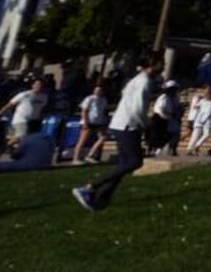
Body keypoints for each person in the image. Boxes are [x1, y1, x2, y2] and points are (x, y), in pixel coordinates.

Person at [73, 58, 157, 212]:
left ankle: (101, 198)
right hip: (129, 125)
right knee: (134, 162)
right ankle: (89, 187)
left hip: (120, 123)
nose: (163, 66)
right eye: (161, 62)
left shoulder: (135, 80)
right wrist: (146, 125)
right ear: (152, 64)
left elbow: (125, 95)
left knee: (124, 164)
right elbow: (138, 109)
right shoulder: (145, 82)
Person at [0, 78, 48, 144]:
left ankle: (8, 146)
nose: (38, 86)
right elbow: (8, 105)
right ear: (32, 85)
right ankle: (3, 148)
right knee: (21, 136)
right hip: (21, 120)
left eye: (40, 85)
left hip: (33, 122)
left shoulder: (44, 97)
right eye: (36, 84)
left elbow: (42, 109)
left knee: (25, 140)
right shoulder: (24, 95)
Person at [72, 84, 109, 164]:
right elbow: (84, 110)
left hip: (98, 122)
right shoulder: (89, 98)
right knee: (82, 140)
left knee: (102, 138)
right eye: (96, 90)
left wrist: (103, 121)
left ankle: (89, 156)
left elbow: (103, 111)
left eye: (100, 90)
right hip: (88, 122)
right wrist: (85, 122)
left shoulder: (104, 100)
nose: (98, 92)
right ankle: (75, 159)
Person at [148, 82, 181, 156]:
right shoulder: (164, 97)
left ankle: (167, 149)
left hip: (168, 119)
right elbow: (160, 109)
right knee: (159, 135)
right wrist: (169, 114)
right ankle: (154, 149)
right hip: (160, 119)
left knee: (169, 135)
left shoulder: (174, 98)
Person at [186, 87, 211, 155]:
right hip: (200, 120)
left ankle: (196, 146)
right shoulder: (202, 101)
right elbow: (195, 106)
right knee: (195, 135)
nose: (206, 94)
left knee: (207, 134)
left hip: (206, 121)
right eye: (206, 93)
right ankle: (190, 149)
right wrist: (198, 99)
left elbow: (209, 111)